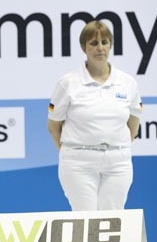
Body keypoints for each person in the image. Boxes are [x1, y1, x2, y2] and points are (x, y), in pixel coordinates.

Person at [47, 20, 142, 211]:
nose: (100, 48)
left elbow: (133, 122)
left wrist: (116, 145)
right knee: (86, 220)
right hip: (78, 163)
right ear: (84, 47)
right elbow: (53, 126)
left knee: (113, 219)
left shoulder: (127, 83)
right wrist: (71, 151)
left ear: (110, 45)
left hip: (118, 163)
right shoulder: (68, 83)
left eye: (105, 42)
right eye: (94, 43)